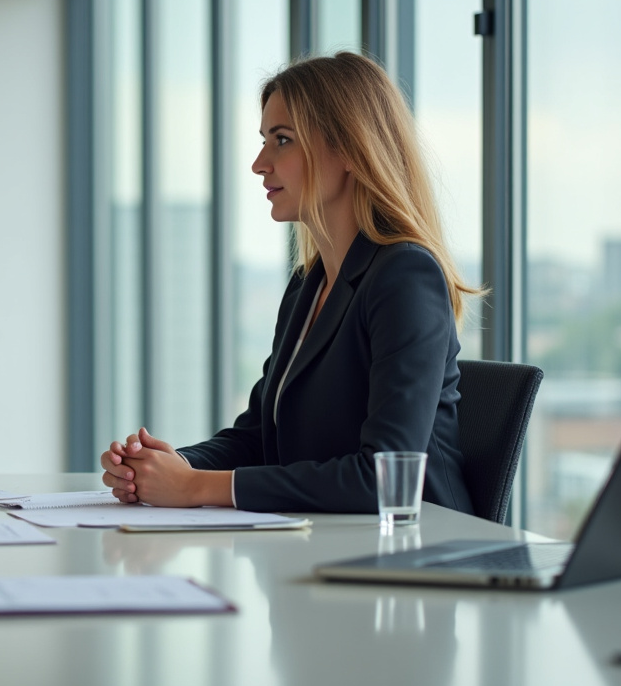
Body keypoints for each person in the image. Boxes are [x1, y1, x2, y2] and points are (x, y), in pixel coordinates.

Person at [100, 52, 478, 514]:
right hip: (330, 546)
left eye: (282, 141)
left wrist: (196, 488)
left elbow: (384, 479)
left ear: (351, 151)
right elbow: (260, 437)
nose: (260, 163)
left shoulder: (405, 277)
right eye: (264, 141)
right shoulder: (308, 285)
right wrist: (168, 467)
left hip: (419, 556)